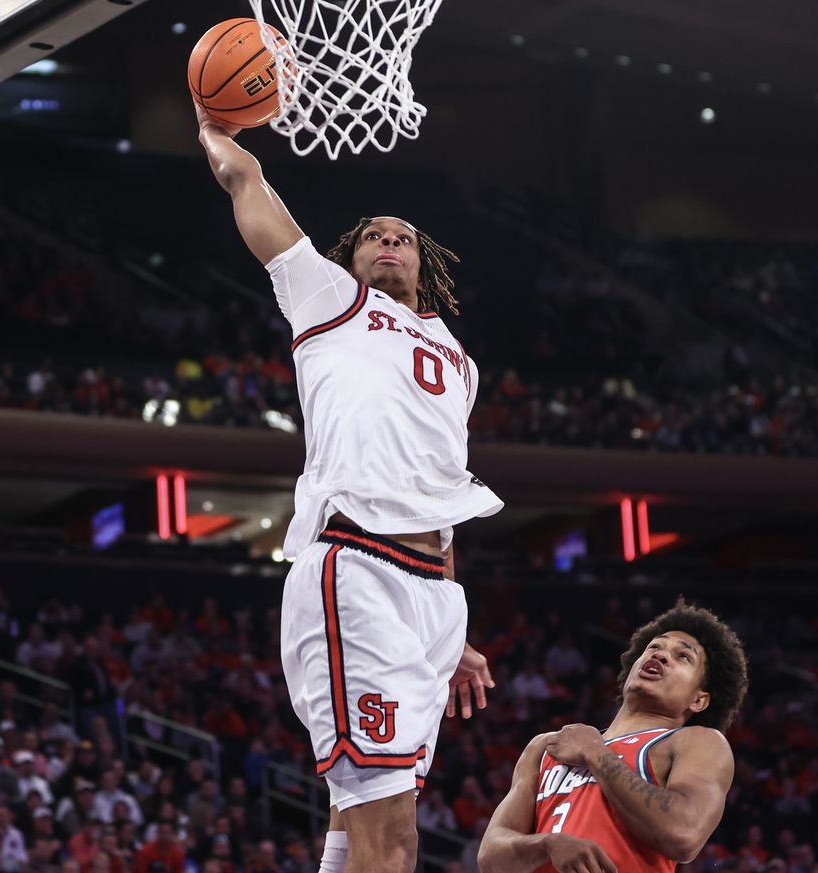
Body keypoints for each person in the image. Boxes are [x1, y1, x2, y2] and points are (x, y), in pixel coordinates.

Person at [196, 102, 503, 873]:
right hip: (357, 570)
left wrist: (451, 613)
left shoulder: (456, 357)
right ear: (352, 256)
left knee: (358, 812)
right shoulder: (330, 302)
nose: (390, 242)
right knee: (392, 834)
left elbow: (443, 488)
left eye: (402, 236)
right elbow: (249, 188)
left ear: (424, 265)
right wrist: (216, 133)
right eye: (374, 235)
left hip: (432, 591)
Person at [477, 599, 750, 873]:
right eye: (654, 646)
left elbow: (684, 835)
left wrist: (596, 753)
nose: (660, 655)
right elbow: (490, 858)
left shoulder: (698, 742)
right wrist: (548, 843)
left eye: (683, 657)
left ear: (699, 700)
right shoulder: (546, 746)